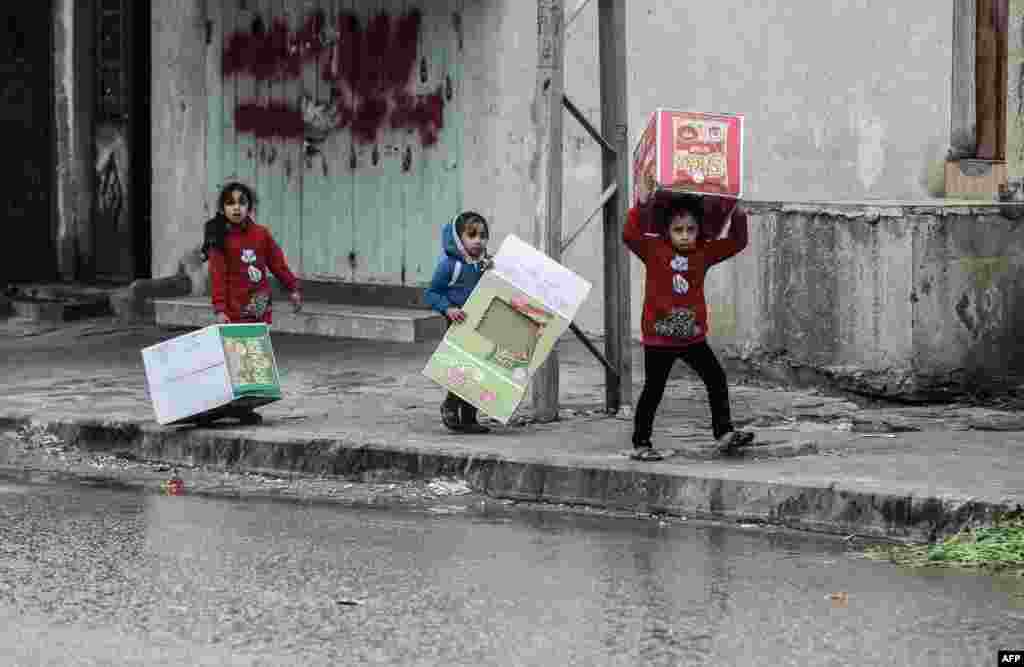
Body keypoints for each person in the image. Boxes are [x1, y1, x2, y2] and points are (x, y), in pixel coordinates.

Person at [623, 194, 754, 461]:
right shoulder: (653, 248)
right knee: (654, 389)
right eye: (678, 230)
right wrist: (642, 203)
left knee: (715, 378)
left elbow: (737, 242)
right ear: (666, 231)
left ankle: (724, 433)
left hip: (692, 338)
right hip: (659, 338)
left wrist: (739, 214)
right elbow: (629, 234)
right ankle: (641, 444)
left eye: (690, 230)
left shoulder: (704, 251)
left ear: (700, 230)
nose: (684, 236)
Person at [198, 181, 302, 426]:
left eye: (241, 202)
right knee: (234, 359)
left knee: (254, 358)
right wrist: (220, 308)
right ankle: (221, 407)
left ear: (249, 207)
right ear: (223, 208)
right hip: (233, 305)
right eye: (230, 203)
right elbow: (217, 276)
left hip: (258, 302)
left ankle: (246, 407)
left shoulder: (261, 234)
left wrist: (293, 288)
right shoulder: (218, 238)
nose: (236, 208)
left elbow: (277, 264)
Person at [424, 211, 494, 434]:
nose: (478, 240)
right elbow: (431, 294)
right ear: (458, 238)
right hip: (458, 324)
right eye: (471, 235)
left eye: (482, 235)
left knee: (479, 371)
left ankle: (470, 419)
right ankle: (451, 406)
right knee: (461, 370)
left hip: (480, 324)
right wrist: (448, 309)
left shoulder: (483, 264)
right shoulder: (449, 266)